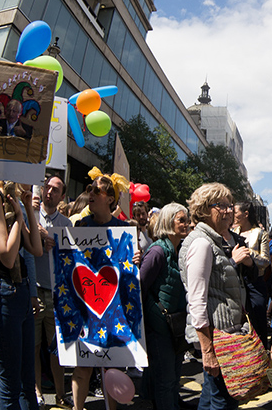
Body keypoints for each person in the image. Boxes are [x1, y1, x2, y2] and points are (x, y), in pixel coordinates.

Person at [179, 182, 256, 410]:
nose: (229, 211)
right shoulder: (202, 243)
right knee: (224, 401)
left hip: (222, 333)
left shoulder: (213, 240)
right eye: (221, 206)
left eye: (230, 205)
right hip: (217, 338)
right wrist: (208, 351)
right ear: (204, 209)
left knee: (211, 396)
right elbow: (197, 300)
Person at [0, 181, 44, 409]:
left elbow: (36, 249)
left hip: (22, 292)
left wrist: (26, 208)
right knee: (10, 385)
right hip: (3, 295)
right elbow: (7, 256)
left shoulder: (16, 202)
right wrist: (18, 217)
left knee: (28, 382)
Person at [72, 171, 130, 410]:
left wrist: (134, 257)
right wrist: (57, 246)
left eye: (97, 190)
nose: (91, 194)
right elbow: (71, 262)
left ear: (110, 199)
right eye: (90, 189)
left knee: (112, 364)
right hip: (86, 304)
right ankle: (77, 408)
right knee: (83, 365)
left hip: (113, 307)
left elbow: (128, 271)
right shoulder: (81, 225)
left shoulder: (123, 228)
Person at [141, 203, 190, 410]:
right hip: (161, 327)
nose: (186, 224)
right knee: (165, 379)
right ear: (169, 222)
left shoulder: (180, 249)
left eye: (186, 220)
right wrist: (154, 314)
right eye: (181, 220)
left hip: (176, 325)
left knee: (173, 377)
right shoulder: (158, 251)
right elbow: (140, 284)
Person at [33, 176, 72, 408]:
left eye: (55, 190)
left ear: (62, 196)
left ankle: (60, 393)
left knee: (57, 350)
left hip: (57, 294)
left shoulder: (66, 224)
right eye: (47, 187)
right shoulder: (30, 216)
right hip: (35, 291)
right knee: (35, 346)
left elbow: (71, 259)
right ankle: (37, 392)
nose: (50, 192)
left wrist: (53, 242)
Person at [233, 200, 272, 346]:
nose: (232, 214)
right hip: (237, 283)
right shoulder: (232, 233)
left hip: (256, 283)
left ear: (246, 214)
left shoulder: (260, 233)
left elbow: (266, 261)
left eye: (235, 211)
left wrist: (248, 254)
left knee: (258, 318)